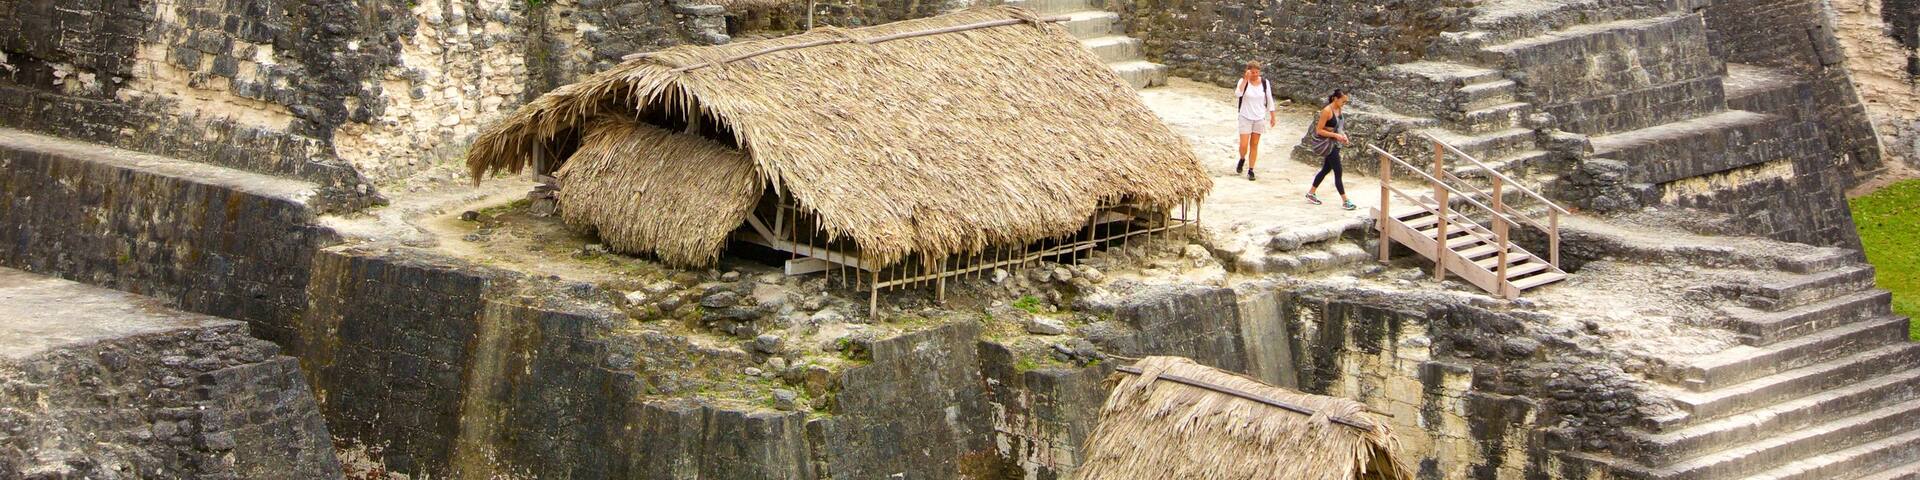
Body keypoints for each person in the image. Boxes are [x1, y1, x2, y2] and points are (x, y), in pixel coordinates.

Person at [1306, 89, 1355, 210]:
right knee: (1338, 171)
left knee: (1325, 169)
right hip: (1328, 145)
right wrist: (1335, 135)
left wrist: (1343, 136)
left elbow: (1339, 127)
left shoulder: (1339, 109)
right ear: (1336, 99)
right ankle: (1345, 201)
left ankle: (1311, 193)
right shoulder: (1327, 111)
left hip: (1336, 144)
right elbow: (1319, 130)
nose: (1344, 104)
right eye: (1343, 101)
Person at [1234, 62, 1276, 181]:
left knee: (1254, 144)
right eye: (1253, 72)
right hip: (1245, 116)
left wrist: (1272, 116)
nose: (1255, 74)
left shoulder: (1265, 83)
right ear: (1248, 71)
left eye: (1257, 72)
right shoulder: (1243, 81)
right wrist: (1245, 79)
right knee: (1243, 144)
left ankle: (1251, 170)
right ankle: (1242, 158)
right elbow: (1238, 94)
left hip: (1259, 117)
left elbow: (1269, 99)